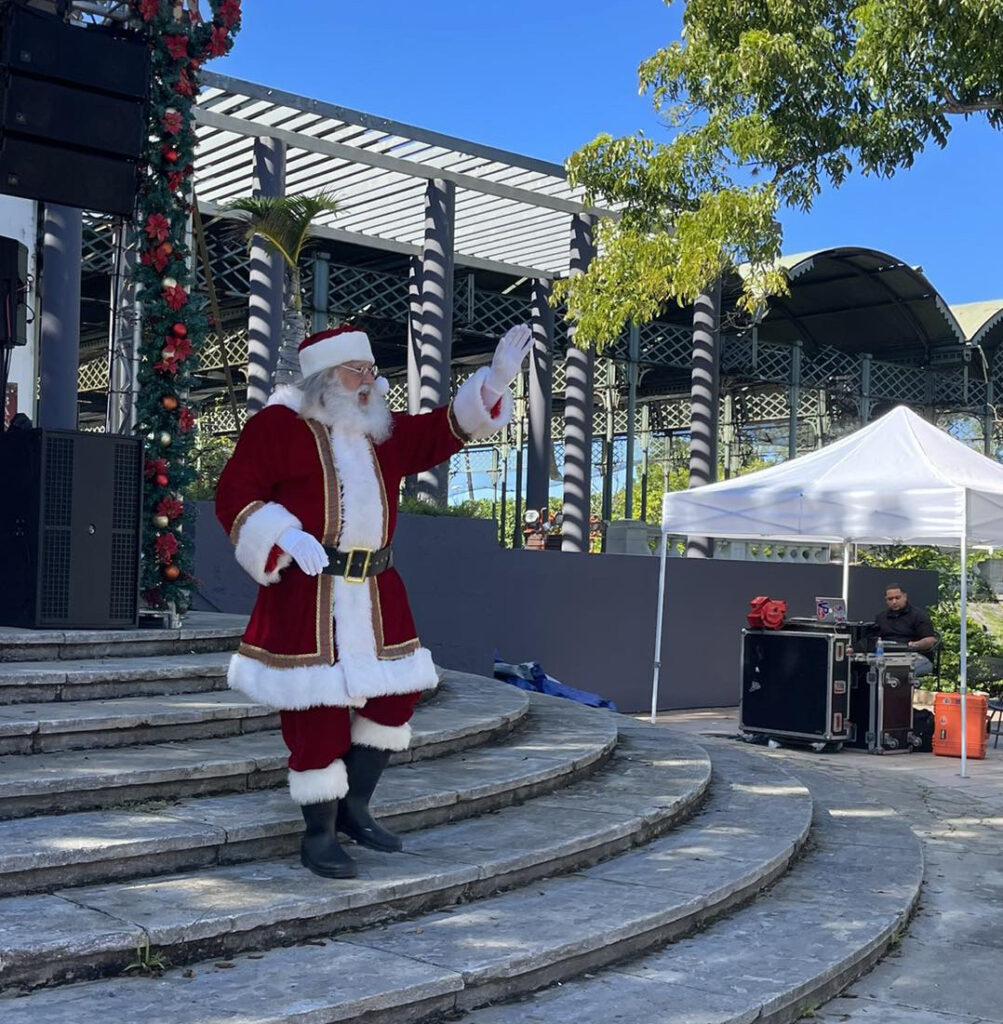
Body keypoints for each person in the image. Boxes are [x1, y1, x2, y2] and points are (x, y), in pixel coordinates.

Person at [215, 322, 533, 879]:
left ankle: (355, 807)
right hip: (309, 594)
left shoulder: (377, 430)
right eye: (356, 371)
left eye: (371, 370)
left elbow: (440, 430)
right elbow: (234, 494)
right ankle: (318, 833)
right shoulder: (277, 426)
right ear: (324, 377)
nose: (370, 381)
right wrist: (283, 535)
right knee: (317, 718)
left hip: (377, 593)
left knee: (394, 700)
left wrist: (494, 383)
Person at [874, 583, 936, 677]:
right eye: (890, 599)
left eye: (897, 598)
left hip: (916, 656)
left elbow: (930, 640)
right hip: (887, 657)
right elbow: (874, 639)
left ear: (905, 597)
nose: (894, 602)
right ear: (886, 600)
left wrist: (915, 645)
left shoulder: (918, 615)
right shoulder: (881, 617)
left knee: (900, 672)